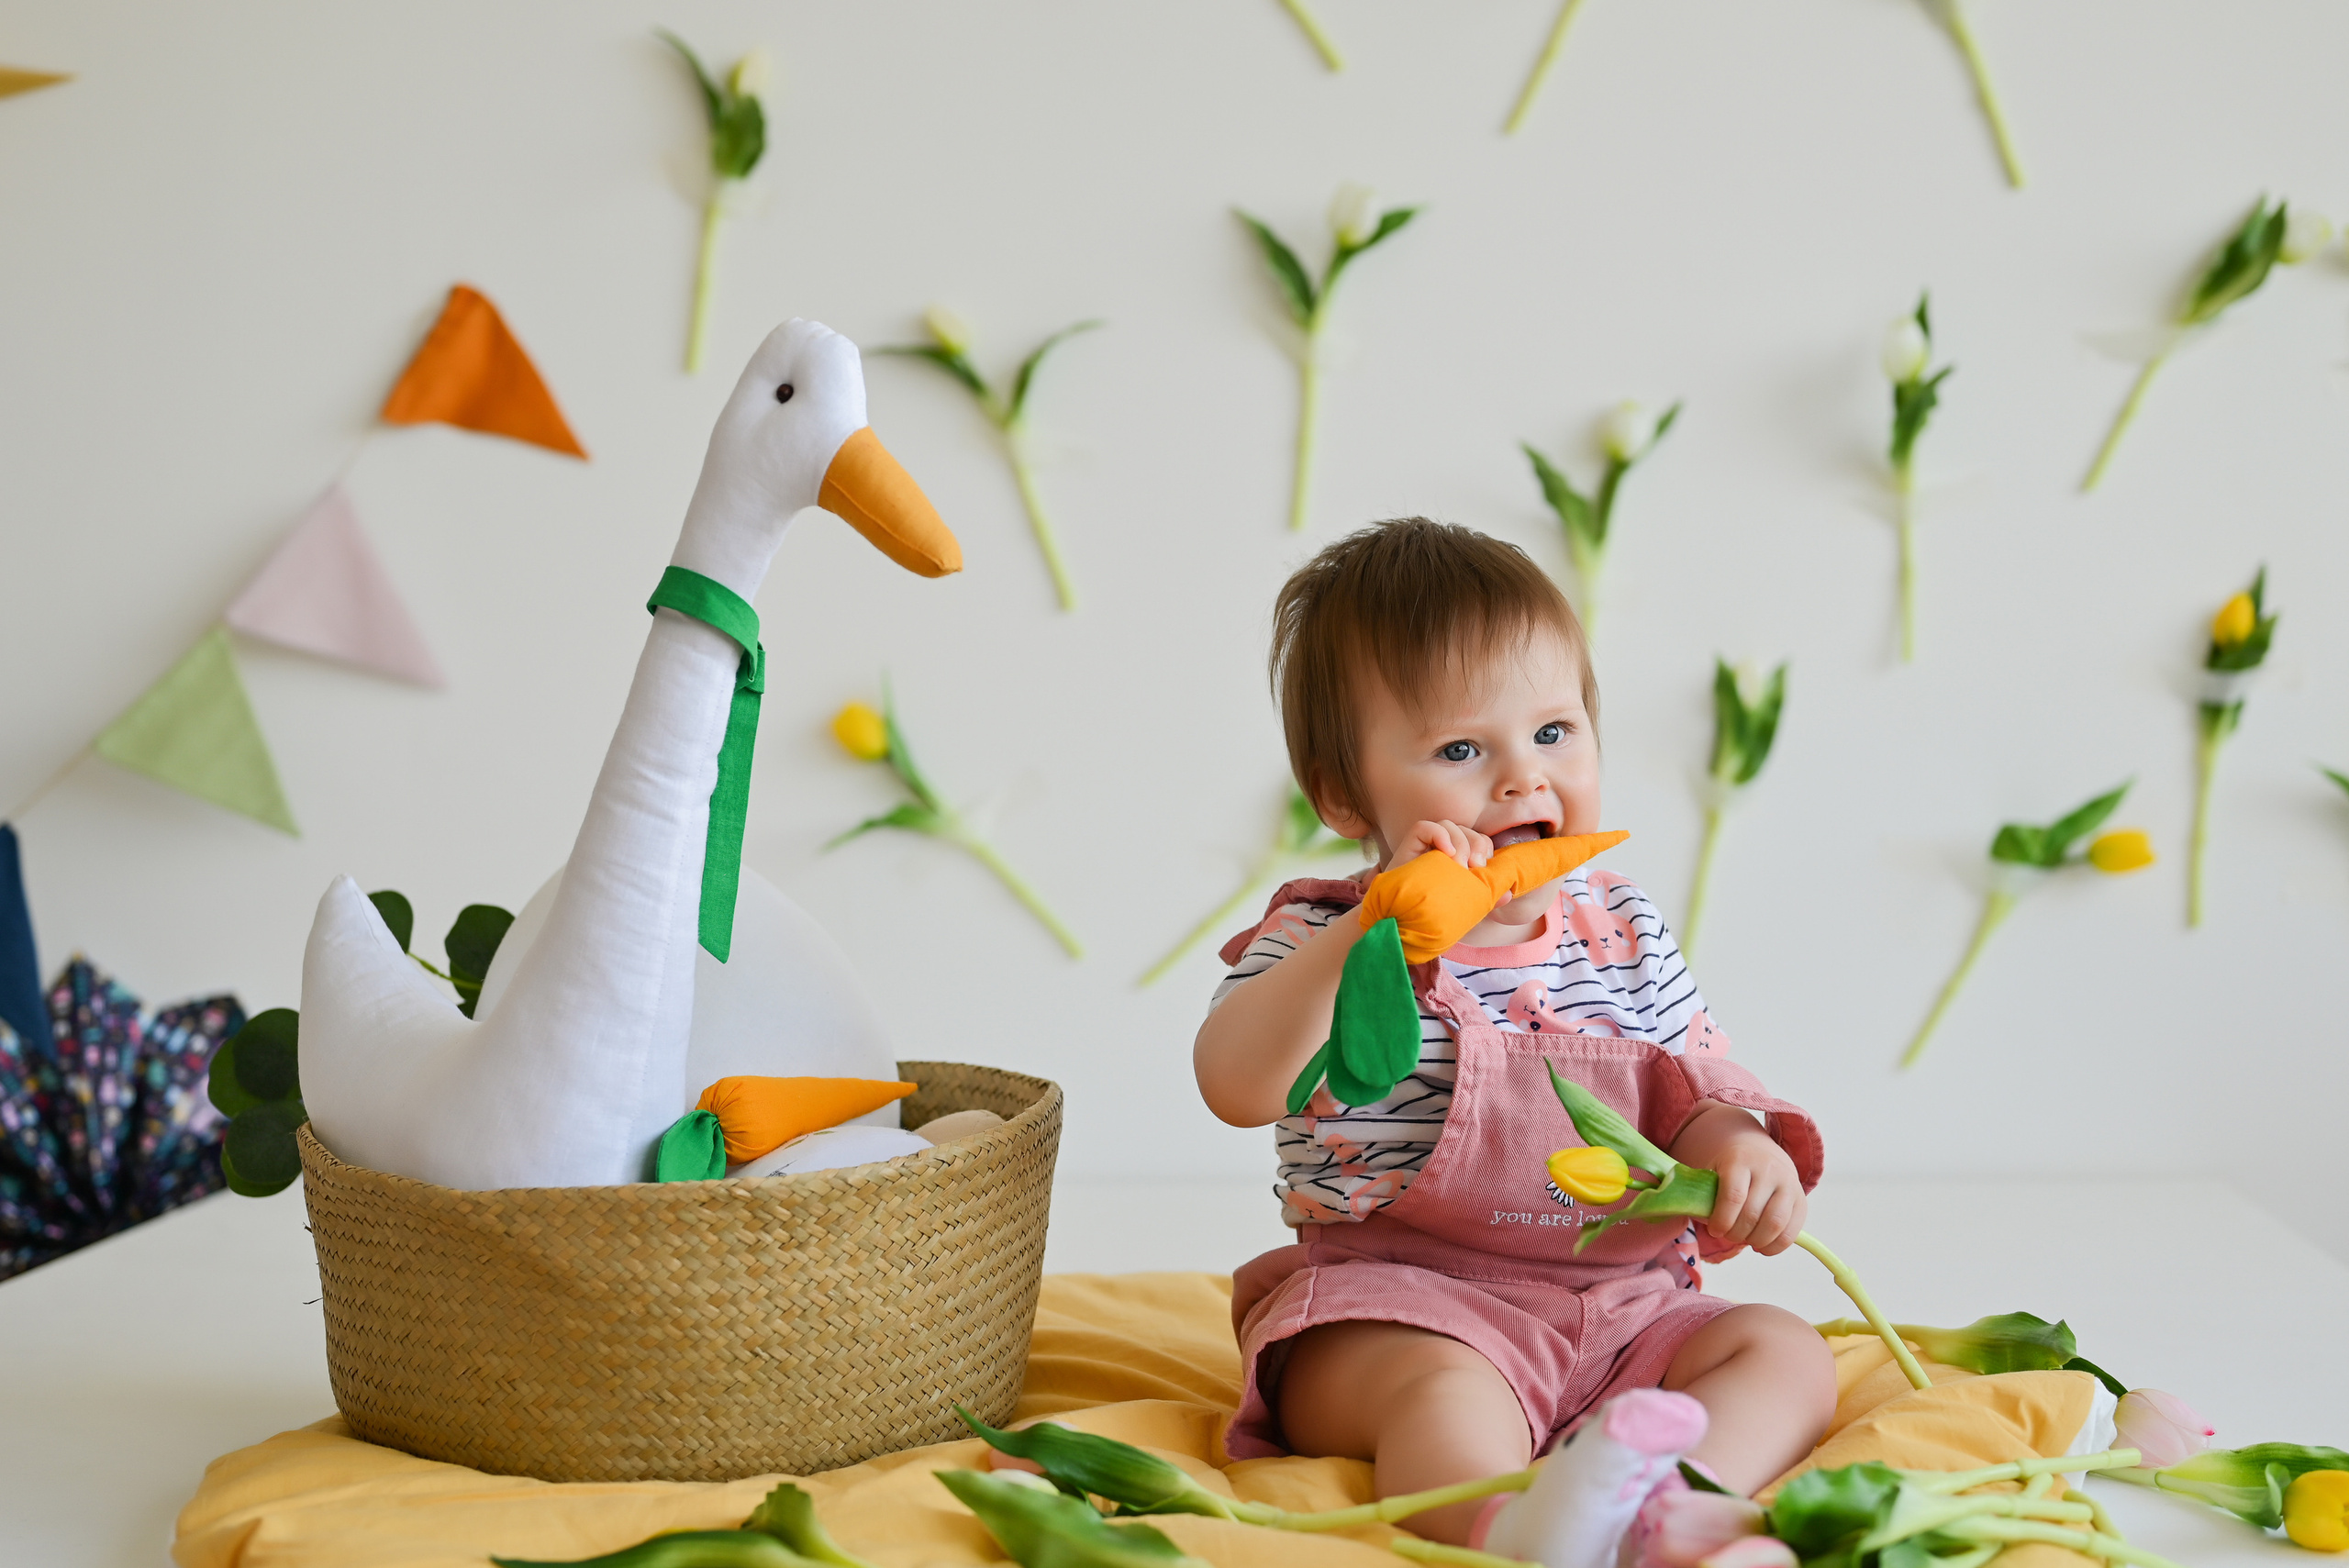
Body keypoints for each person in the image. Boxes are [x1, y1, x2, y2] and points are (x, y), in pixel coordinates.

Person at [1193, 518, 1834, 1563]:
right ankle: (1512, 1528)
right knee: (1437, 1393)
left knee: (1784, 1351)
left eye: (1553, 731)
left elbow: (1692, 1091)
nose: (1521, 778)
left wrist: (1738, 1146)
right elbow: (1234, 1081)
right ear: (1343, 793)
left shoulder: (1620, 925)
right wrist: (1369, 933)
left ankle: (1670, 1502)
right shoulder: (1322, 931)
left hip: (1622, 1303)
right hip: (1401, 1300)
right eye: (1459, 749)